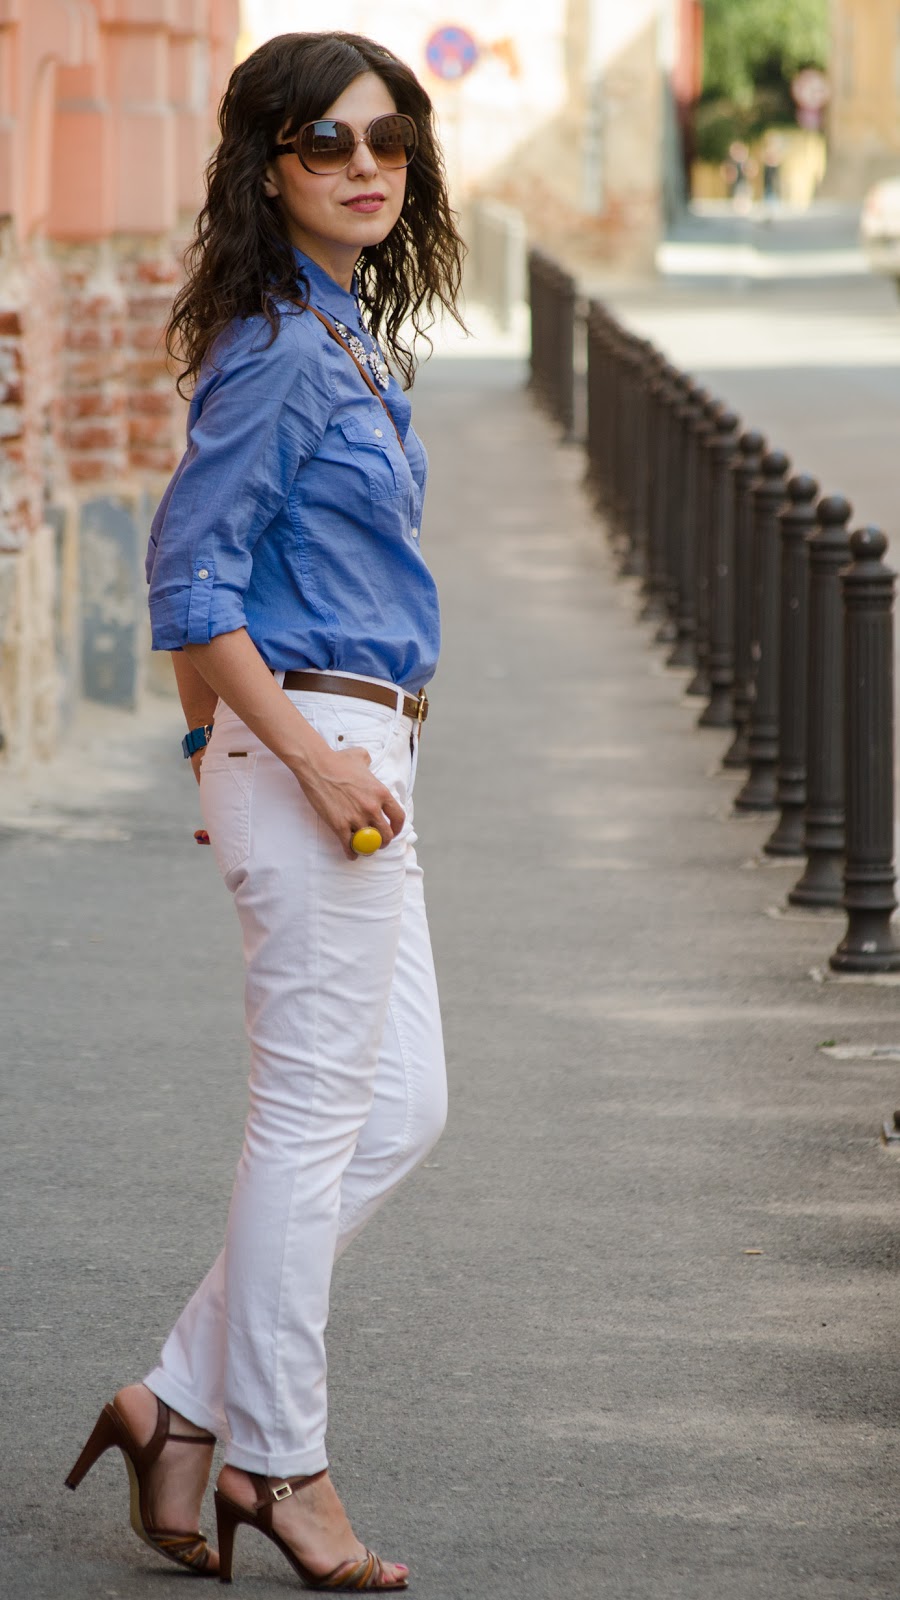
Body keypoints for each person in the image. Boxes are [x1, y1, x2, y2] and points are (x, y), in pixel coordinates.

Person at [65, 30, 464, 1590]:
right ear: (266, 169)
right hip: (322, 759)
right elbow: (189, 585)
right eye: (324, 145)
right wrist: (272, 765)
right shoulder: (285, 352)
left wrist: (232, 763)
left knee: (402, 1108)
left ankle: (174, 1398)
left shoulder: (339, 328)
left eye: (387, 139)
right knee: (311, 1127)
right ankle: (278, 1465)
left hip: (347, 763)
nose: (365, 167)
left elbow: (219, 569)